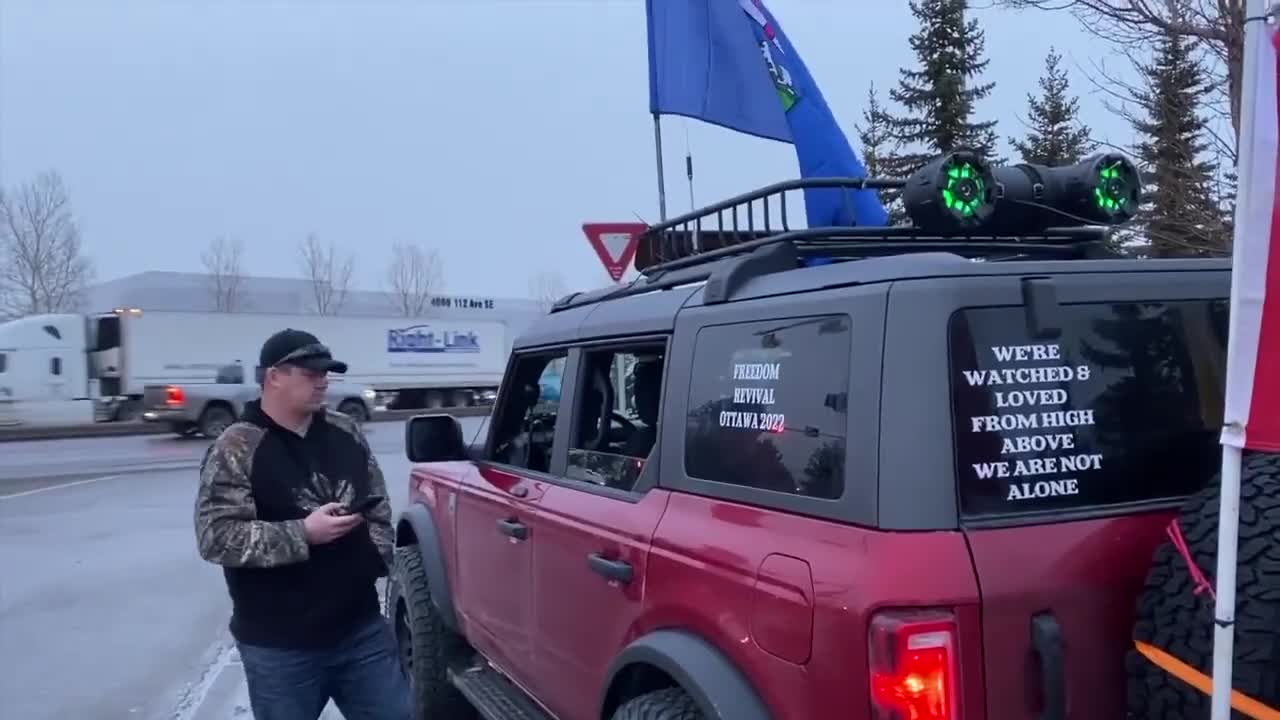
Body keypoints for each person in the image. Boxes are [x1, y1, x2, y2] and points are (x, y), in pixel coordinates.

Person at [193, 328, 411, 720]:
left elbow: (377, 507)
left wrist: (374, 558)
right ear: (274, 376)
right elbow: (216, 536)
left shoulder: (345, 431)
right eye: (311, 372)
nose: (323, 380)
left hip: (361, 632)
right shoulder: (237, 446)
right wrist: (303, 534)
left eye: (327, 372)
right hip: (280, 647)